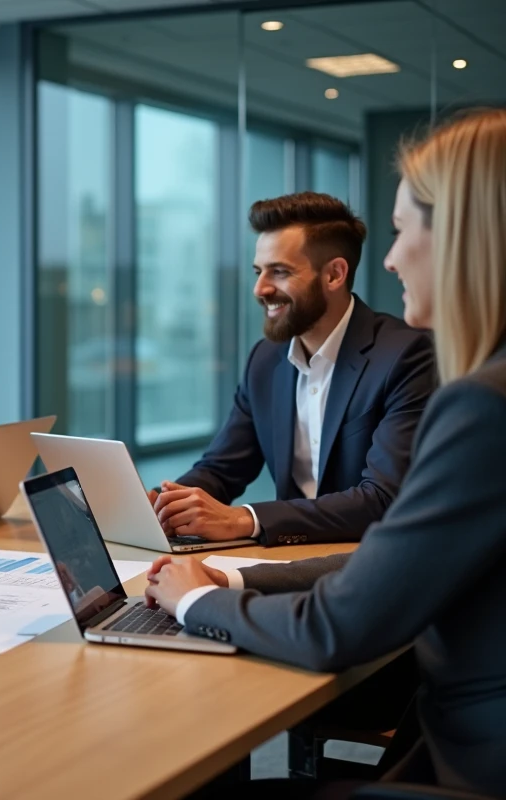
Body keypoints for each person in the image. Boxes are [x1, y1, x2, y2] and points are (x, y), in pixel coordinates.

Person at [146, 108, 506, 797]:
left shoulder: (474, 398)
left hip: (469, 762)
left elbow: (349, 612)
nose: (394, 258)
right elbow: (387, 554)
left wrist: (199, 602)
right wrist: (232, 574)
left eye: (403, 231)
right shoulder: (268, 360)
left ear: (462, 237)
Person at [151, 192, 435, 546]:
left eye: (280, 272)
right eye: (258, 271)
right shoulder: (265, 360)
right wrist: (164, 504)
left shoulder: (405, 355)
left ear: (334, 274)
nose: (260, 289)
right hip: (285, 563)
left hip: (368, 563)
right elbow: (221, 468)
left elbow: (381, 498)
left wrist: (245, 518)